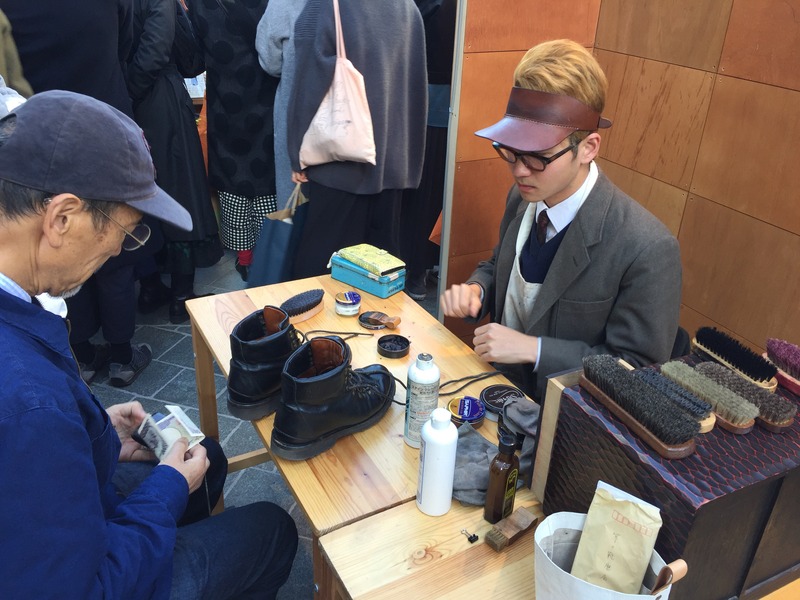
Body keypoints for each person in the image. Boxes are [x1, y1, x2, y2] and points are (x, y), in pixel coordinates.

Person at [0, 90, 297, 599]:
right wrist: (166, 490)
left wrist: (95, 434)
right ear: (62, 217)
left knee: (207, 458)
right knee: (272, 529)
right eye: (126, 230)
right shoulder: (30, 404)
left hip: (48, 528)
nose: (121, 248)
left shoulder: (22, 326)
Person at [440, 39, 682, 401]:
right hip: (499, 395)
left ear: (588, 148)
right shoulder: (522, 199)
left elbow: (636, 370)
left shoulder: (646, 248)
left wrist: (535, 350)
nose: (520, 170)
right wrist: (478, 289)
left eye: (538, 156)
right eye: (511, 151)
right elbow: (499, 262)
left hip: (572, 419)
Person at [3, 0, 157, 386]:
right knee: (112, 252)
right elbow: (127, 43)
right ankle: (121, 355)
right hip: (104, 121)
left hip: (38, 139)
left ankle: (82, 353)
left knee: (57, 251)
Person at [286, 0, 428, 278]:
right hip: (393, 163)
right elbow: (415, 83)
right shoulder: (408, 7)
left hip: (340, 164)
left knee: (322, 272)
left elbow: (308, 82)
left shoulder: (327, 5)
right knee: (380, 277)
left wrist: (296, 154)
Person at [127, 0, 223, 323]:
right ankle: (181, 297)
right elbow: (157, 49)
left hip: (132, 103)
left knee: (143, 197)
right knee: (181, 194)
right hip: (160, 101)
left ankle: (151, 286)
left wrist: (125, 94)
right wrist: (133, 90)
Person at [185, 0, 279, 283]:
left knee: (232, 180)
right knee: (268, 181)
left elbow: (193, 62)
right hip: (268, 101)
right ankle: (269, 255)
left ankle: (245, 258)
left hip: (226, 104)